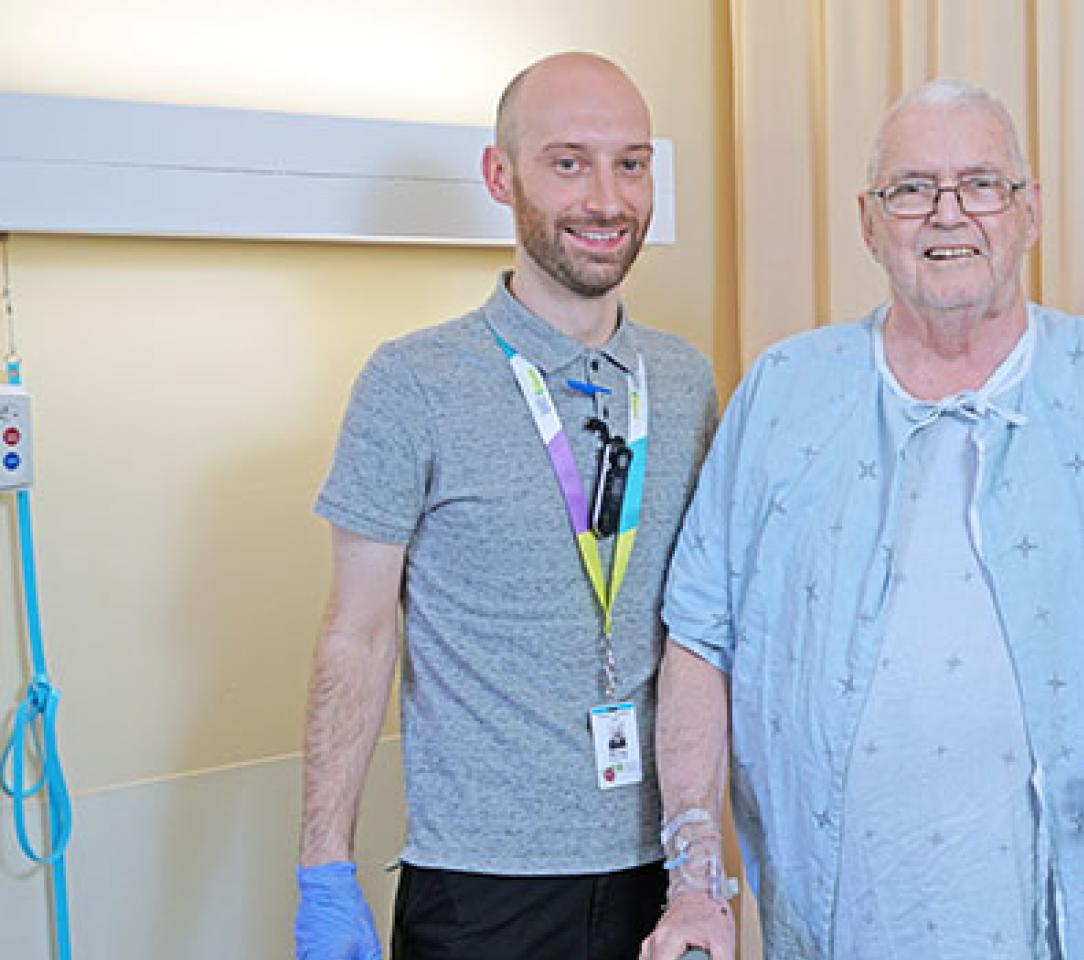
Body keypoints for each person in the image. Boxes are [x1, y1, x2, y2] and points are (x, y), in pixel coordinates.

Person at [639, 80, 1084, 960]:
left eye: (982, 185)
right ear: (868, 220)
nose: (947, 214)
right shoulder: (783, 393)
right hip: (837, 924)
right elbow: (700, 641)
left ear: (1029, 211)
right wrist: (693, 884)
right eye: (912, 188)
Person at [293, 52, 716, 960]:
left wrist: (708, 863)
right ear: (501, 175)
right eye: (569, 162)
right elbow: (357, 636)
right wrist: (324, 864)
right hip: (482, 888)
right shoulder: (412, 383)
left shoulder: (683, 383)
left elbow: (708, 631)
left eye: (631, 163)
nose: (607, 197)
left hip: (664, 879)